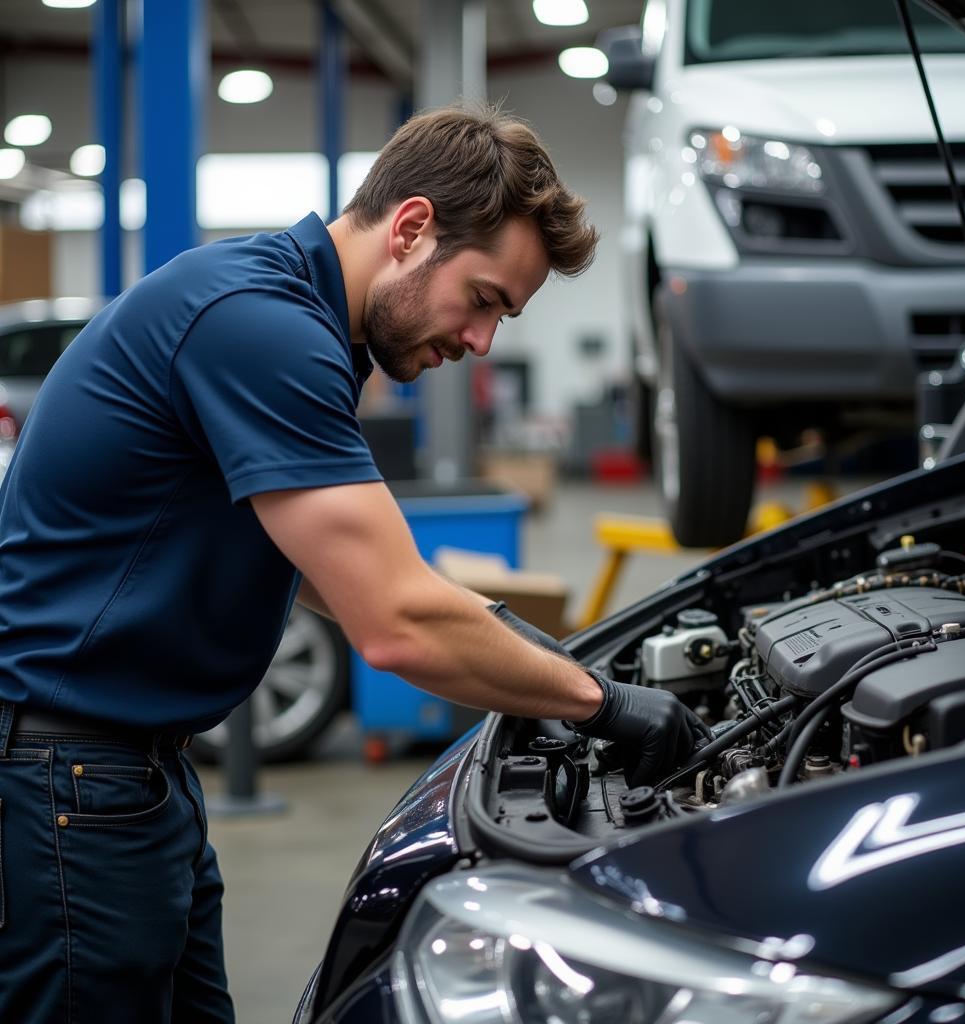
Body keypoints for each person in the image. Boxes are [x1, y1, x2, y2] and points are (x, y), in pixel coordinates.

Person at [0, 104, 705, 1024]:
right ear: (412, 228)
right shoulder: (262, 328)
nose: (482, 342)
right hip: (69, 782)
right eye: (485, 298)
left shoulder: (285, 315)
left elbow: (353, 579)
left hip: (128, 780)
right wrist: (602, 703)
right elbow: (395, 621)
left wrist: (534, 662)